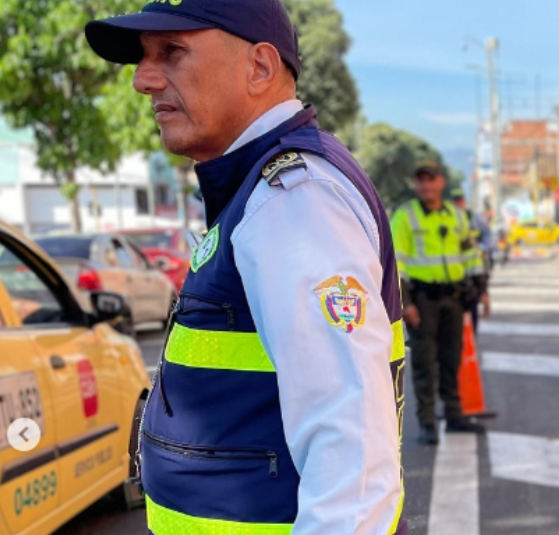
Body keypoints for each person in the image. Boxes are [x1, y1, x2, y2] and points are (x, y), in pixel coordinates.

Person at [84, 1, 408, 532]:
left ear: (259, 67)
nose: (143, 80)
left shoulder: (293, 199)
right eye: (144, 57)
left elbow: (352, 455)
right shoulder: (264, 188)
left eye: (172, 52)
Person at [391, 164, 487, 446]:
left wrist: (481, 288)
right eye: (421, 181)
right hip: (422, 301)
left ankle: (454, 415)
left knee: (451, 360)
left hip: (453, 299)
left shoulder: (456, 215)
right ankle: (427, 423)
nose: (426, 186)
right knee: (424, 364)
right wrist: (406, 303)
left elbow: (470, 254)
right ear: (415, 185)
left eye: (431, 180)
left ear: (441, 182)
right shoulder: (405, 217)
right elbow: (396, 264)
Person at [450, 186, 492, 337]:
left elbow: (486, 233)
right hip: (452, 276)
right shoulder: (446, 218)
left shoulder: (474, 217)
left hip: (474, 265)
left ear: (464, 201)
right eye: (455, 200)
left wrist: (483, 248)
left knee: (471, 313)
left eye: (459, 200)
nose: (457, 203)